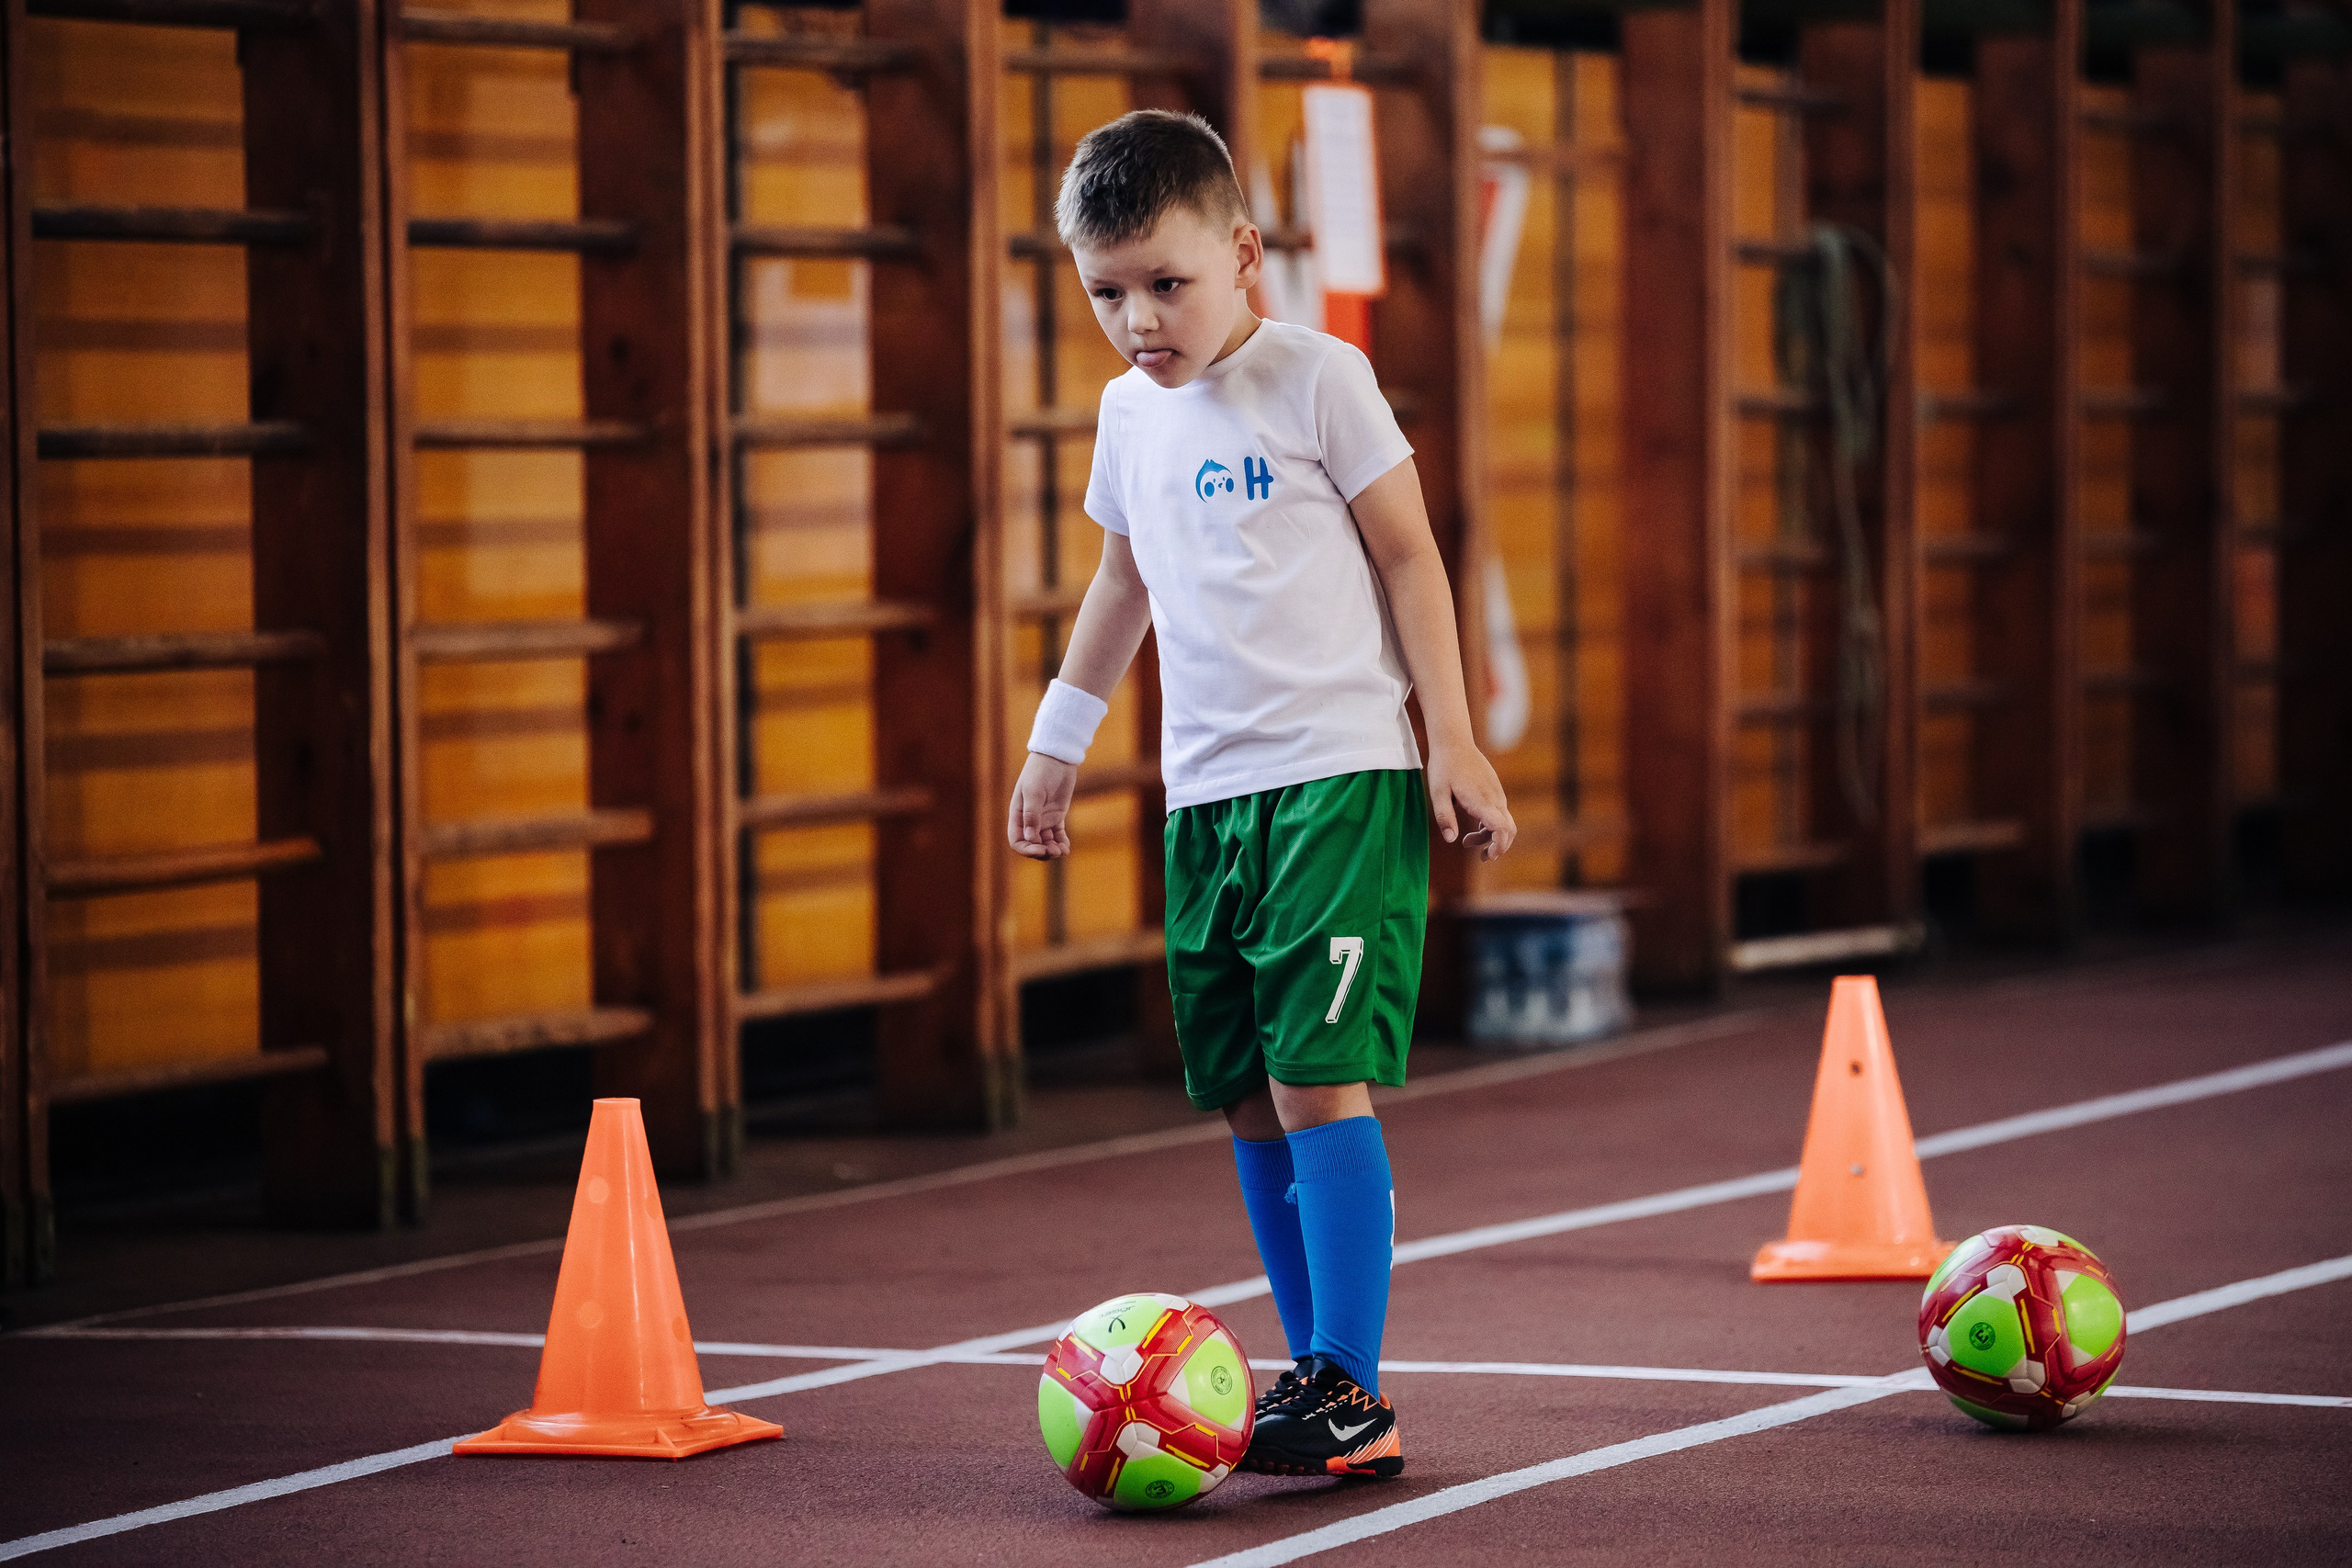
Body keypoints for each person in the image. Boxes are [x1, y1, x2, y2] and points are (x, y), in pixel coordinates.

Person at [1006, 108, 1515, 1481]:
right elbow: (1123, 582)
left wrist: (1448, 738)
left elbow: (1411, 557)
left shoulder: (1317, 379)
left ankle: (1351, 1377)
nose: (1138, 320)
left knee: (1312, 1075)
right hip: (1207, 801)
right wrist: (1060, 740)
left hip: (1337, 779)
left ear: (1242, 257)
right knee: (1242, 1093)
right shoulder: (1126, 414)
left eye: (1165, 285)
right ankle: (1309, 1377)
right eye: (1107, 292)